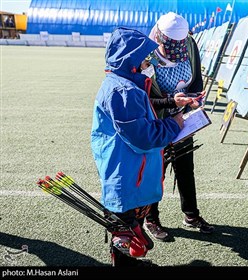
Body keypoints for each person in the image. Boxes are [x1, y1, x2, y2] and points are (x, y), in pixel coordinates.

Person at [91, 27, 184, 266]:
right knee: (126, 234)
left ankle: (127, 263)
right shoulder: (123, 90)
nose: (147, 62)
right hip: (129, 177)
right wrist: (173, 126)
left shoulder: (124, 84)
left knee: (130, 233)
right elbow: (142, 137)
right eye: (143, 56)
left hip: (132, 175)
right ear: (130, 58)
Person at [143, 12, 215, 242]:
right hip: (158, 121)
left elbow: (195, 79)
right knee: (156, 171)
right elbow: (144, 97)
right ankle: (150, 219)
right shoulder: (146, 53)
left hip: (183, 118)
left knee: (185, 166)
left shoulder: (189, 44)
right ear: (161, 39)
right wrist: (170, 102)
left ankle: (191, 215)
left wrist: (195, 98)